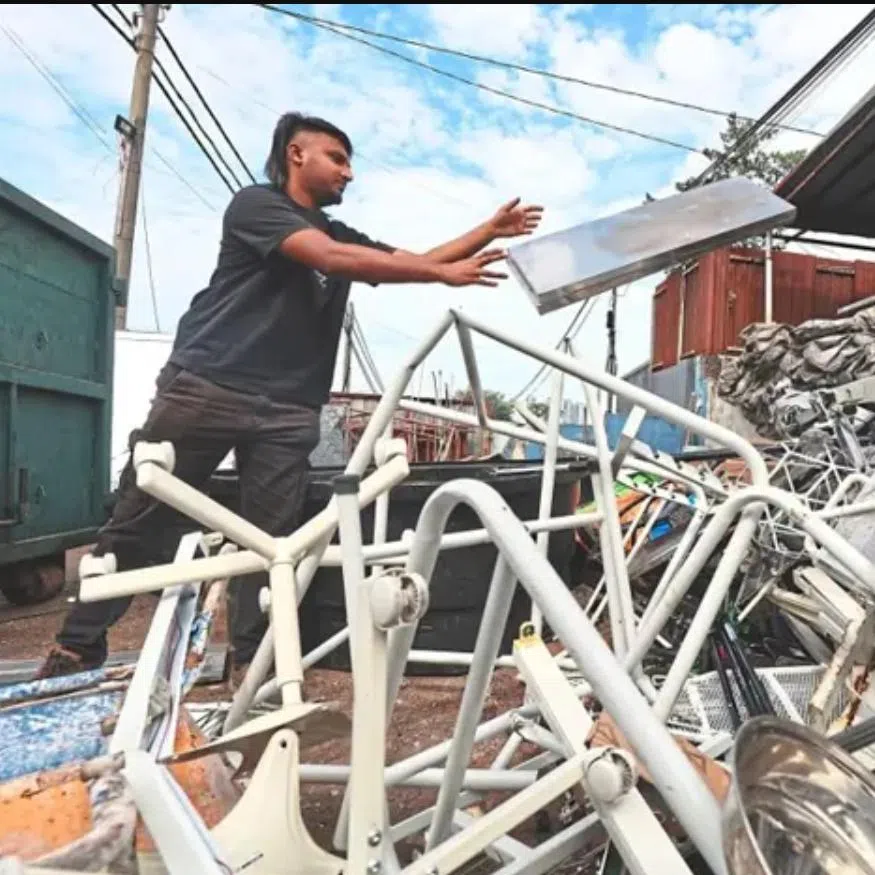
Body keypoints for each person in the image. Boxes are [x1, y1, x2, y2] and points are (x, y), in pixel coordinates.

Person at [35, 111, 544, 680]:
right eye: (338, 159)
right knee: (140, 518)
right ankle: (76, 650)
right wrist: (437, 275)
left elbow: (404, 259)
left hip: (288, 410)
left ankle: (257, 666)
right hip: (209, 385)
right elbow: (332, 260)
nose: (348, 173)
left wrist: (487, 231)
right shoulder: (257, 207)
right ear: (297, 155)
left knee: (273, 541)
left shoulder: (339, 235)